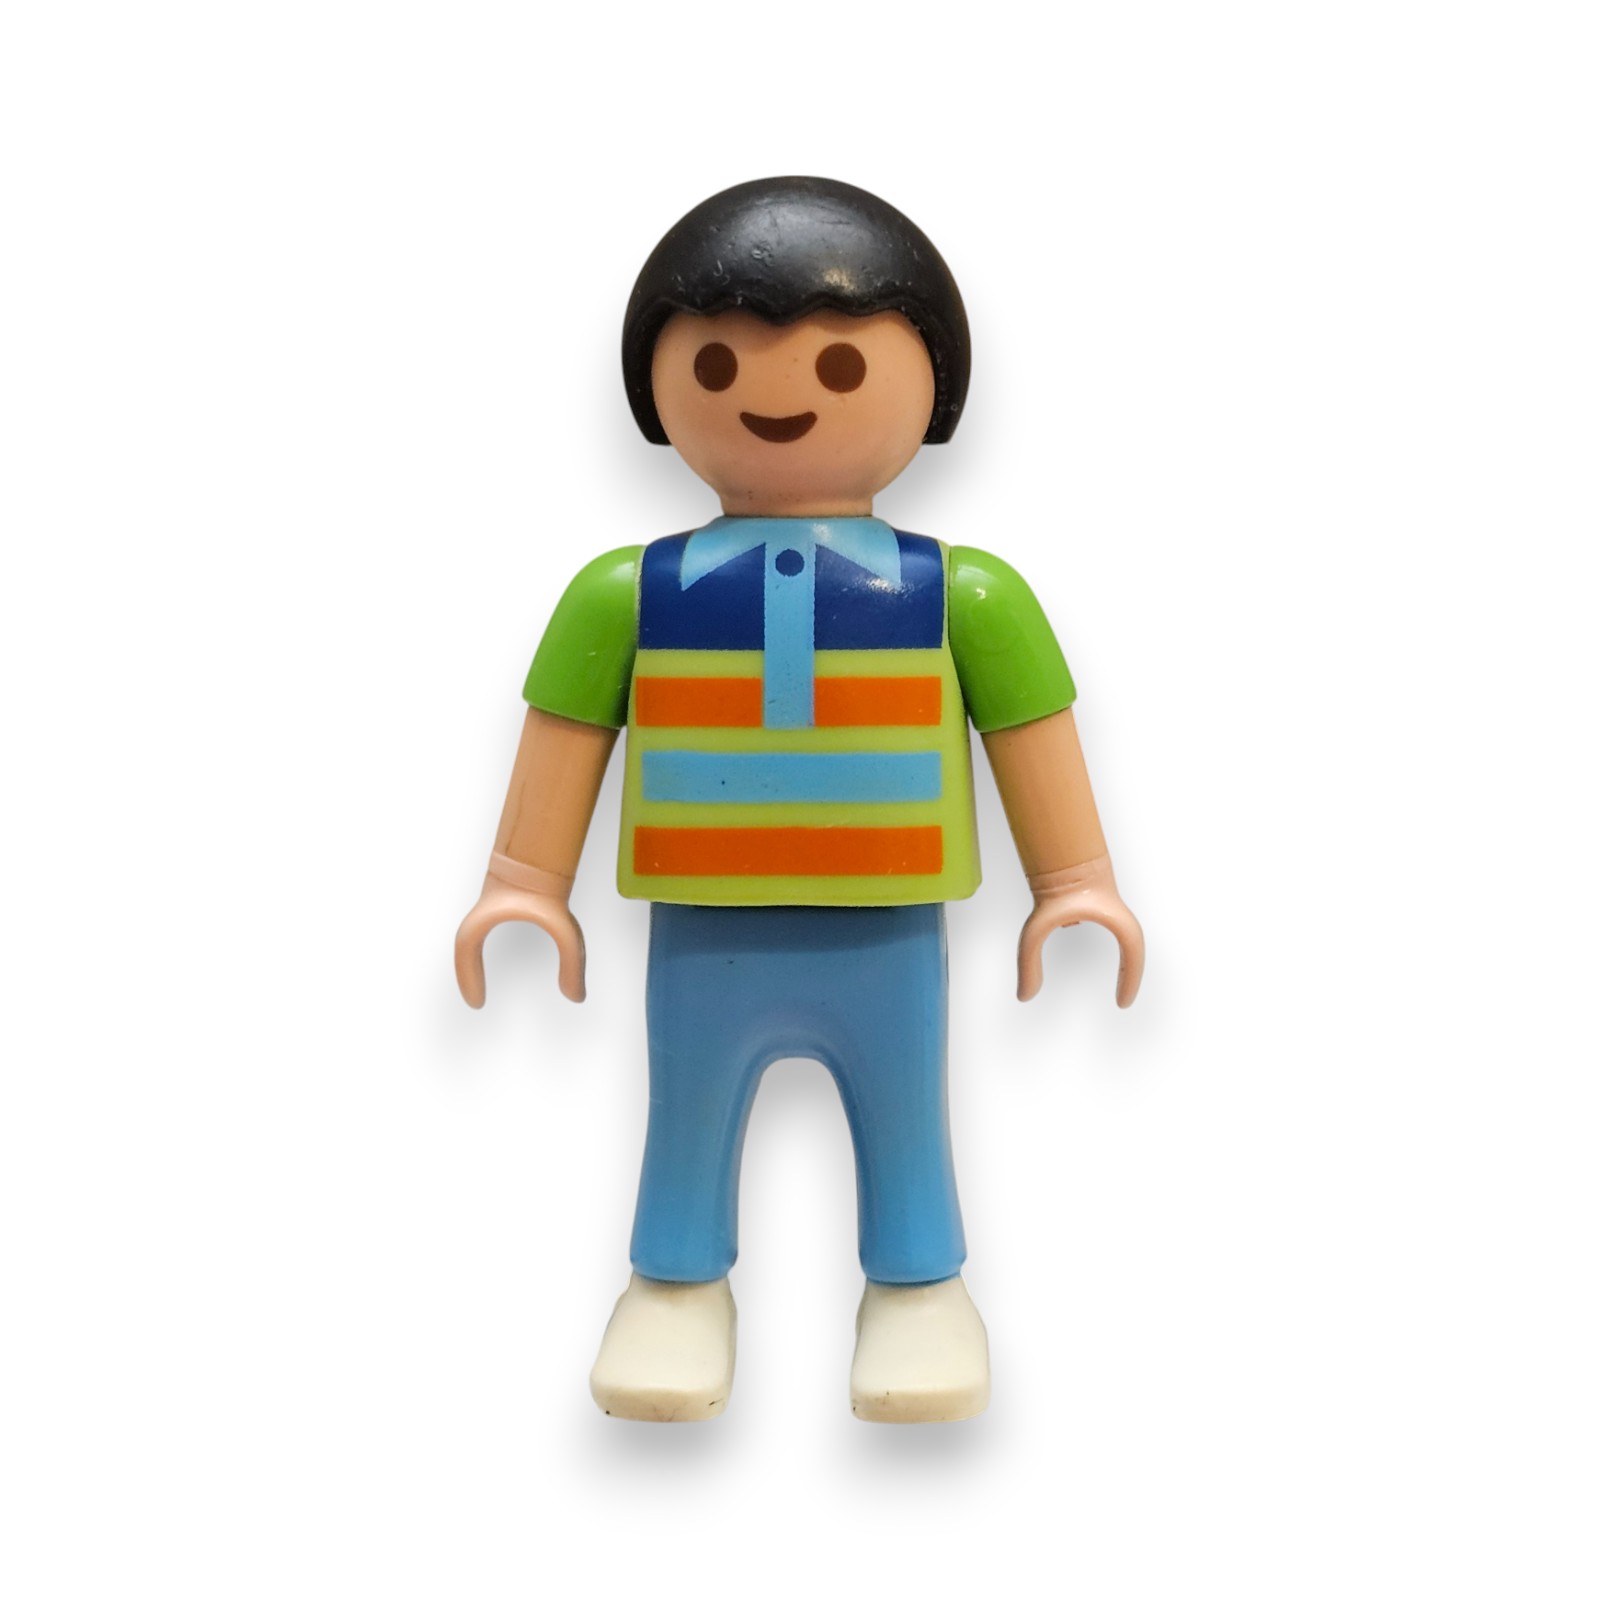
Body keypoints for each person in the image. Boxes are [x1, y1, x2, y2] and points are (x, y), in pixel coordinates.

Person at [455, 176, 1144, 1422]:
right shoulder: (629, 592)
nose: (776, 396)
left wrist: (1075, 882)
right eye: (716, 361)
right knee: (688, 1102)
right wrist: (523, 884)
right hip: (702, 919)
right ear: (657, 387)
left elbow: (1030, 733)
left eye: (840, 367)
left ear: (933, 384)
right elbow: (566, 734)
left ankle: (919, 1288)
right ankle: (674, 1286)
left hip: (886, 922)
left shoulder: (961, 595)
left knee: (904, 1104)